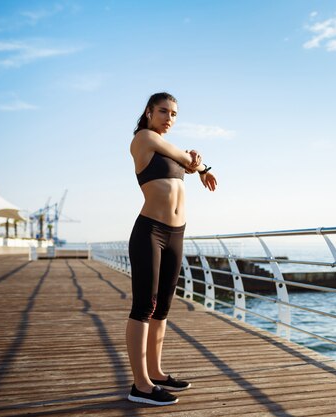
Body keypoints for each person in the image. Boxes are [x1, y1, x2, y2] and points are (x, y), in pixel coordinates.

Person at [126, 92, 217, 406]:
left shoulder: (168, 150)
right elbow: (184, 157)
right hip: (150, 231)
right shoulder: (144, 138)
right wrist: (198, 164)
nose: (169, 118)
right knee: (144, 307)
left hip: (176, 233)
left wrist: (200, 167)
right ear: (149, 112)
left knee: (163, 306)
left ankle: (156, 372)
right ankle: (140, 385)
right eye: (163, 111)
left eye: (174, 114)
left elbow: (187, 161)